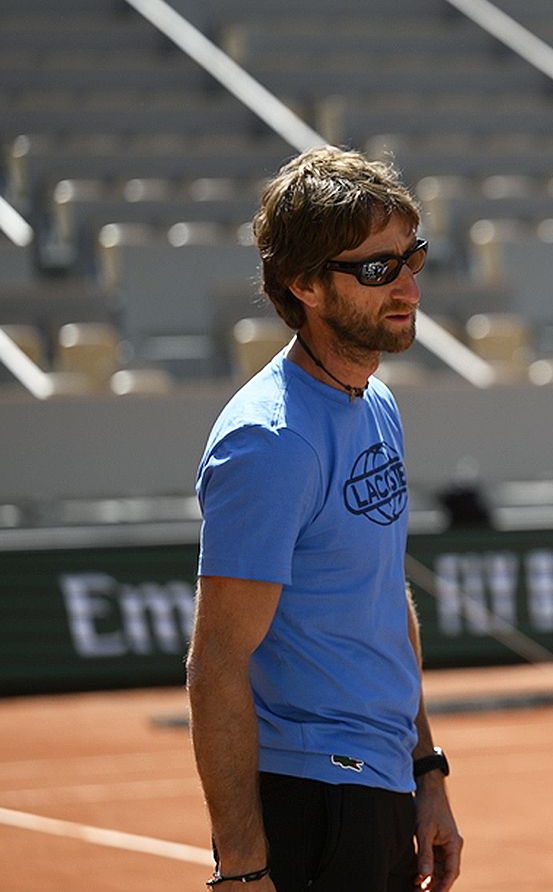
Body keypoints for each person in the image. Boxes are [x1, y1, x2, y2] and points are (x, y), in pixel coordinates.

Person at [189, 146, 463, 891]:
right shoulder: (270, 443)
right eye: (376, 268)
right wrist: (244, 866)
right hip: (310, 798)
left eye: (412, 257)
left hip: (379, 785)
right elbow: (216, 662)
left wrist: (425, 768)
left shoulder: (376, 402)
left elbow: (382, 603)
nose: (407, 284)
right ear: (305, 284)